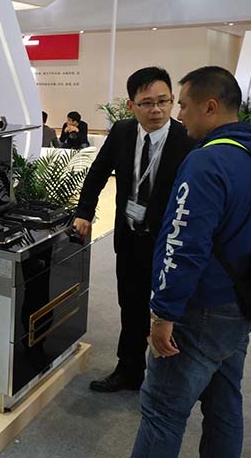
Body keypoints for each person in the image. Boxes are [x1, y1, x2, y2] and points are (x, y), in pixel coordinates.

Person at [132, 66, 251, 458]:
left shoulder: (207, 162)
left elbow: (183, 244)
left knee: (162, 412)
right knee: (225, 400)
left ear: (210, 107)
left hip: (201, 308)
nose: (179, 115)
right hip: (243, 300)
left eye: (183, 105)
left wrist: (163, 313)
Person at [73, 67, 195, 393]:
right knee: (131, 306)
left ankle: (171, 380)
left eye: (163, 101)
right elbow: (98, 173)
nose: (157, 110)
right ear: (131, 105)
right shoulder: (123, 132)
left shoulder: (187, 139)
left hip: (169, 243)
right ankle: (129, 370)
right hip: (130, 238)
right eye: (147, 103)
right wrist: (84, 212)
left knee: (173, 311)